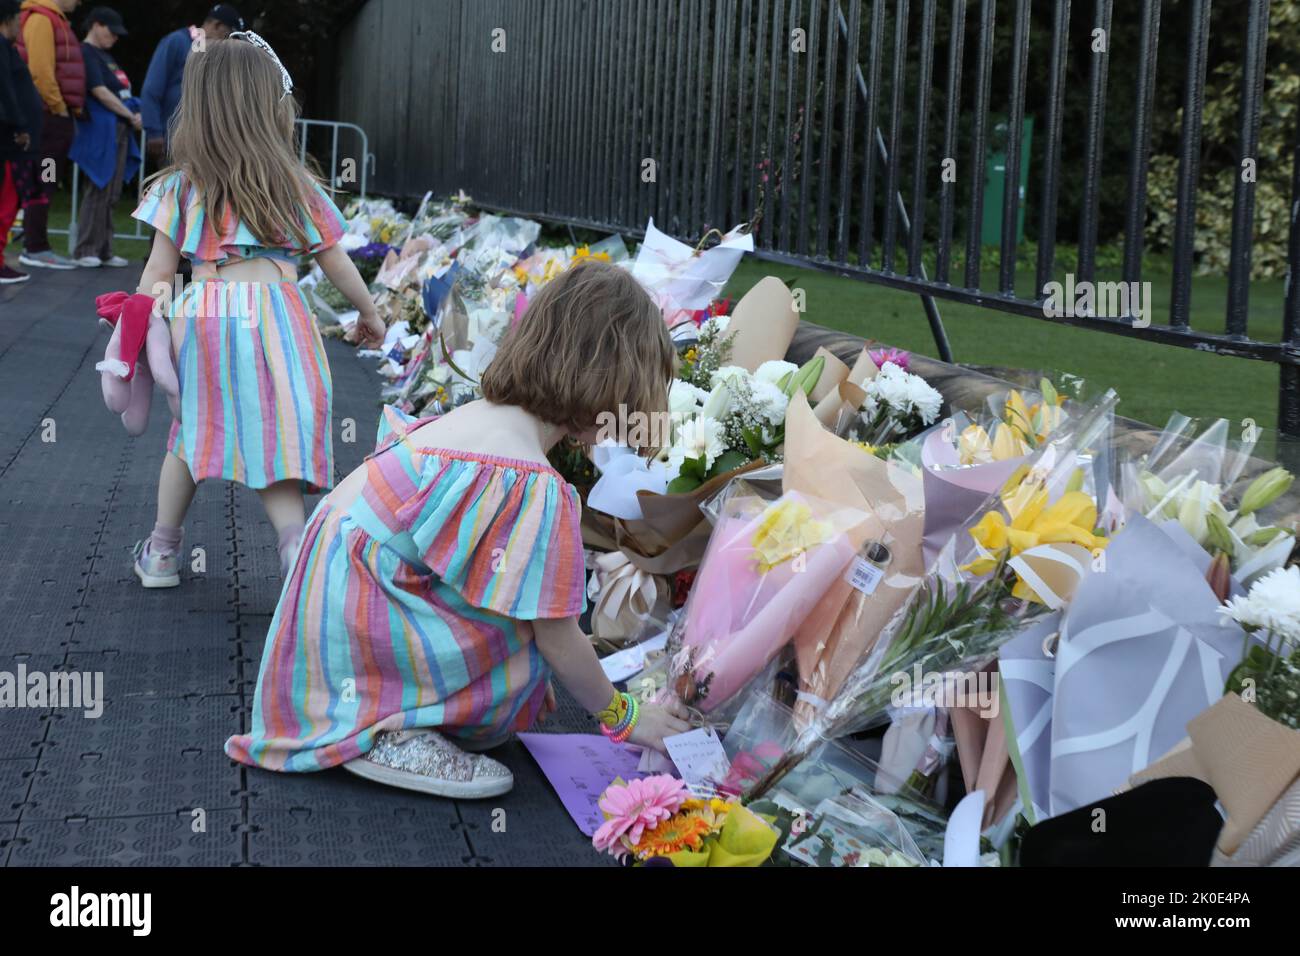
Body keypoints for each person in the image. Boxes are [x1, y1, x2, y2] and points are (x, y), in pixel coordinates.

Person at [225, 261, 693, 798]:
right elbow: (555, 632)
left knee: (516, 612)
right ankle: (385, 727)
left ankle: (380, 710)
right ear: (610, 384)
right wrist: (627, 717)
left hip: (333, 615)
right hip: (357, 628)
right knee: (528, 628)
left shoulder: (480, 423)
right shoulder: (527, 477)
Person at [127, 34, 385, 593]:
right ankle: (294, 546)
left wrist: (141, 320)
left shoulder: (182, 185)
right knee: (273, 438)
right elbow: (336, 262)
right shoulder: (295, 185)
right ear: (273, 106)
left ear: (198, 107)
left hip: (206, 315)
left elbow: (158, 271)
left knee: (191, 433)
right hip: (281, 318)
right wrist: (370, 313)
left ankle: (163, 553)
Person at [69, 6, 139, 267]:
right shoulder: (86, 52)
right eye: (112, 31)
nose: (116, 37)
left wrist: (133, 113)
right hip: (100, 130)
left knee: (112, 191)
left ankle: (104, 249)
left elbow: (120, 89)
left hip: (119, 127)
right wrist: (131, 115)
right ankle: (86, 248)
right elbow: (99, 91)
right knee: (98, 188)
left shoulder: (106, 56)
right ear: (96, 25)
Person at [15, 0, 83, 270]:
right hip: (48, 117)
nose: (78, 2)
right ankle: (36, 246)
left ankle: (35, 244)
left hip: (51, 116)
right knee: (45, 178)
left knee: (46, 179)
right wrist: (59, 107)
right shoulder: (42, 19)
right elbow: (40, 72)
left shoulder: (51, 18)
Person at [139, 3, 243, 165]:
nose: (229, 41)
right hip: (175, 139)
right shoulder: (177, 41)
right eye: (228, 34)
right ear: (217, 25)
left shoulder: (212, 52)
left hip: (205, 142)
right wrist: (153, 131)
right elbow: (152, 88)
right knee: (176, 188)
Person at [0, 0, 42, 284]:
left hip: (14, 140)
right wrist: (19, 125)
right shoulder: (2, 48)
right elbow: (5, 89)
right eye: (18, 20)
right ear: (9, 19)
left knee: (10, 201)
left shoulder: (7, 49)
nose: (21, 27)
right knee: (5, 203)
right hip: (9, 142)